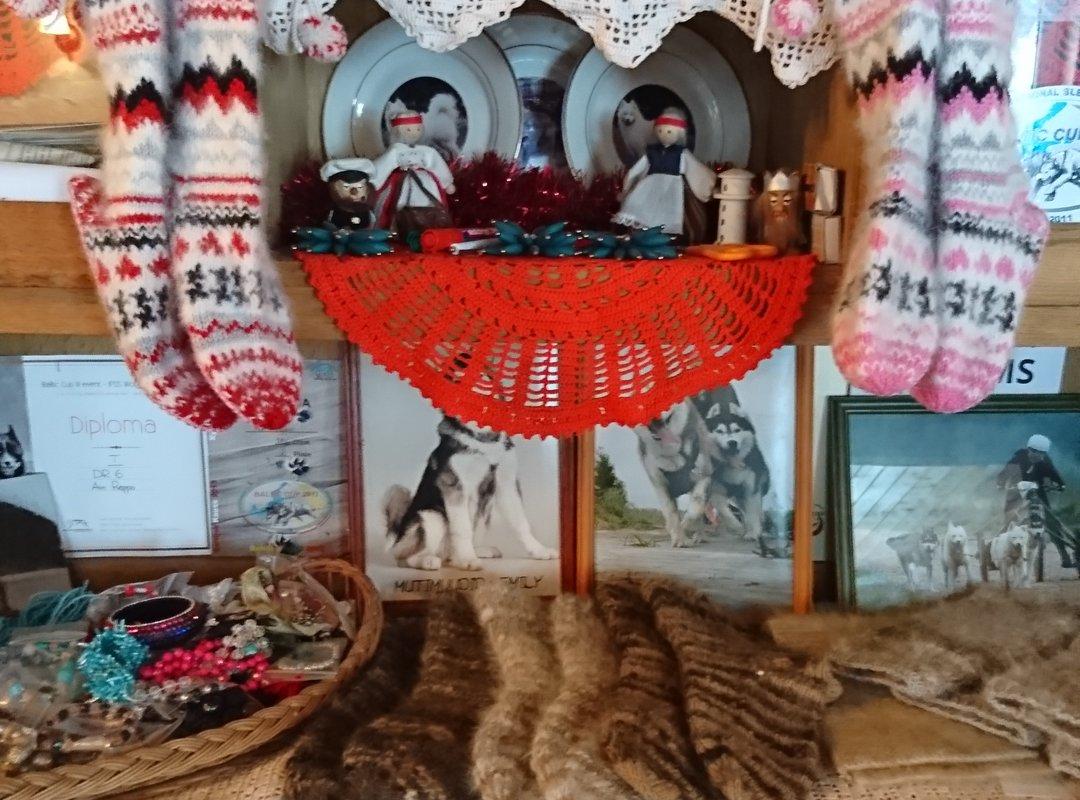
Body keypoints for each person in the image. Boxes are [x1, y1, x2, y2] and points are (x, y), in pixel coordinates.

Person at [612, 107, 715, 244]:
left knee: (670, 211)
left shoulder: (681, 154)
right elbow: (636, 170)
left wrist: (708, 184)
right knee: (637, 206)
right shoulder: (651, 152)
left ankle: (667, 238)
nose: (664, 134)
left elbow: (695, 169)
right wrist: (627, 187)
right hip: (649, 186)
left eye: (669, 131)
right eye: (660, 130)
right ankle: (643, 235)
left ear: (679, 133)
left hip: (673, 187)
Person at [997, 434, 1074, 569]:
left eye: (1042, 453)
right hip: (1017, 494)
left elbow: (1054, 474)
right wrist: (1001, 483)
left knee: (1053, 524)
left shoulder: (1045, 461)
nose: (1038, 456)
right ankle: (997, 550)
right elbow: (1005, 473)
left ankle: (1064, 556)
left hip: (1038, 494)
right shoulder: (1018, 458)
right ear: (1029, 450)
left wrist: (1060, 484)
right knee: (1010, 521)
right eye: (1035, 452)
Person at [370, 112, 455, 231]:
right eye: (408, 129)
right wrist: (372, 182)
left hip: (426, 181)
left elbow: (437, 165)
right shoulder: (396, 150)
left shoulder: (427, 151)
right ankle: (400, 228)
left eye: (418, 129)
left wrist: (447, 183)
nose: (414, 132)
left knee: (430, 203)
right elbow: (384, 164)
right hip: (402, 180)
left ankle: (429, 225)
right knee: (399, 203)